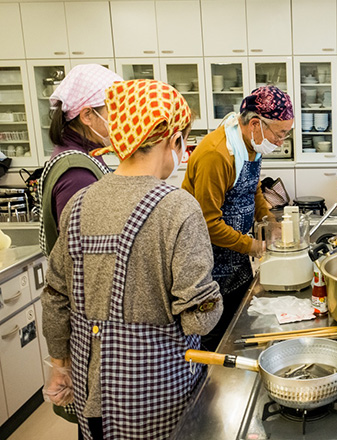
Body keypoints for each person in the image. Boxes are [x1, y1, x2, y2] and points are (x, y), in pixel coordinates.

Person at [42, 79, 223, 440]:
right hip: (158, 397)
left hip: (91, 391)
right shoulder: (177, 207)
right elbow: (199, 318)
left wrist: (60, 366)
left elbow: (55, 297)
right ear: (173, 140)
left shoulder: (79, 204)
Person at [182, 85, 293, 350]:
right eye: (279, 134)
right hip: (209, 264)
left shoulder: (249, 145)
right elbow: (208, 224)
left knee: (236, 326)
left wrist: (270, 221)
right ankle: (208, 388)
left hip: (236, 257)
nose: (280, 142)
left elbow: (252, 187)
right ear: (255, 124)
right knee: (212, 333)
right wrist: (253, 246)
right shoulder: (217, 155)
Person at [40, 64, 122, 256]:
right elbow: (82, 253)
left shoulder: (88, 154)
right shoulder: (76, 174)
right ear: (87, 115)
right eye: (115, 111)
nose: (122, 119)